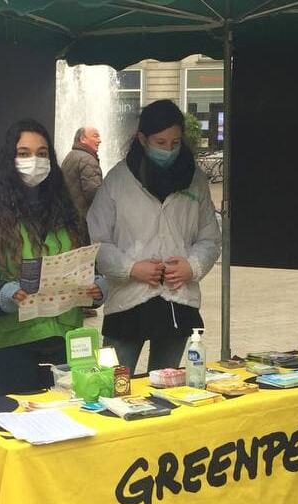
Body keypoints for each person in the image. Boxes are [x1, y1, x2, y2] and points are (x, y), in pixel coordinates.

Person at [0, 119, 106, 396]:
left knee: (75, 422)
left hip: (69, 341)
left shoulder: (69, 212)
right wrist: (4, 293)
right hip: (14, 342)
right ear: (10, 158)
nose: (35, 161)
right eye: (24, 153)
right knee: (26, 427)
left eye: (42, 154)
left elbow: (93, 268)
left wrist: (98, 289)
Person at [87, 100, 220, 374]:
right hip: (128, 301)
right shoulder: (117, 180)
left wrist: (191, 266)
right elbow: (97, 241)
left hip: (177, 300)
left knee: (166, 389)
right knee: (111, 382)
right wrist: (130, 268)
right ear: (142, 139)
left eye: (175, 143)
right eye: (160, 142)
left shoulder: (195, 180)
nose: (168, 150)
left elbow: (210, 237)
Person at [60, 126, 103, 217]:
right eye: (95, 136)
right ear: (82, 139)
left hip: (70, 218)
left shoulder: (70, 156)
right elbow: (95, 194)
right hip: (83, 221)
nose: (99, 140)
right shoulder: (87, 160)